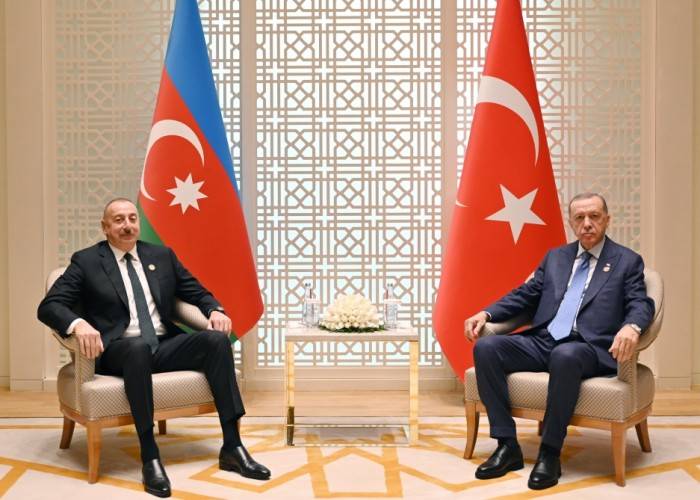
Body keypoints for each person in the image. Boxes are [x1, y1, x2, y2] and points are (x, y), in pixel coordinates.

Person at [38, 198, 269, 498]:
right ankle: (150, 456)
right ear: (105, 227)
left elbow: (196, 291)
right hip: (118, 350)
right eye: (118, 220)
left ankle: (233, 446)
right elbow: (50, 306)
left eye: (132, 218)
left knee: (215, 340)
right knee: (136, 349)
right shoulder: (87, 261)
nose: (127, 225)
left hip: (162, 345)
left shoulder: (161, 255)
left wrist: (214, 309)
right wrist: (78, 324)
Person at [464, 192, 654, 490]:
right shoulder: (556, 257)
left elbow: (640, 302)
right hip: (544, 340)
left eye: (594, 216)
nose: (587, 223)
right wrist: (486, 313)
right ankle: (507, 445)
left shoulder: (626, 261)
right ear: (571, 222)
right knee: (487, 347)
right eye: (579, 218)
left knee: (565, 355)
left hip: (588, 348)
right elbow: (525, 295)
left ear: (607, 220)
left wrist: (632, 326)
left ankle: (550, 452)